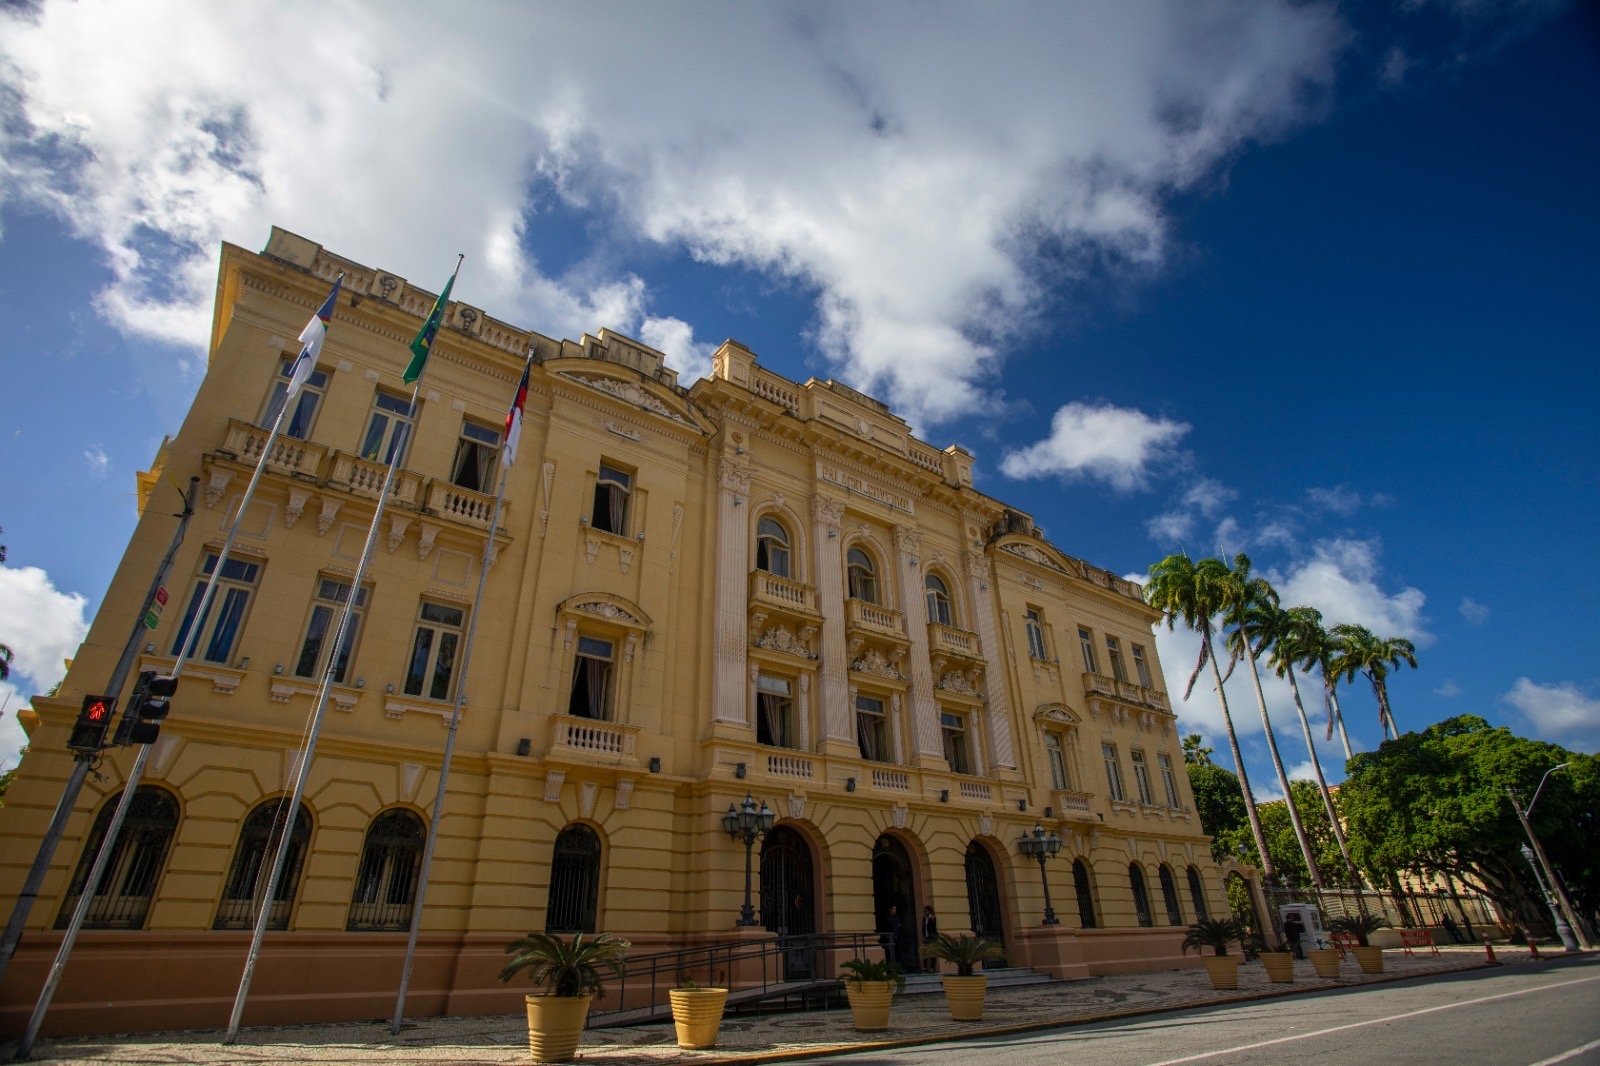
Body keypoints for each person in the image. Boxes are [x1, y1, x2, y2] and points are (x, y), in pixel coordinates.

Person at [921, 905, 939, 972]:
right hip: (926, 937)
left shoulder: (933, 918)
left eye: (926, 911)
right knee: (925, 952)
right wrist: (924, 936)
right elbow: (923, 928)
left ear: (929, 911)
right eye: (924, 911)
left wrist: (931, 919)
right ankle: (925, 967)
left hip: (932, 937)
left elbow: (933, 928)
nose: (925, 912)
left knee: (933, 952)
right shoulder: (924, 919)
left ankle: (932, 967)